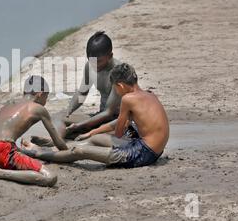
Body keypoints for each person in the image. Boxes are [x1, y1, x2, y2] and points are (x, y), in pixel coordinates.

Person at [22, 63, 169, 169]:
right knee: (95, 139)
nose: (117, 93)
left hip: (143, 153)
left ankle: (37, 152)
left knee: (80, 151)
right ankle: (53, 147)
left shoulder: (127, 99)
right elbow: (119, 123)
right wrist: (92, 132)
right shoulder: (149, 95)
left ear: (121, 86)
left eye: (116, 89)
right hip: (151, 148)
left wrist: (123, 125)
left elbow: (118, 132)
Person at [0, 75, 68, 187]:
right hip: (3, 152)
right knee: (50, 177)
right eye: (46, 96)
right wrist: (68, 151)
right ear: (40, 94)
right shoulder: (38, 108)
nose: (46, 101)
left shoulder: (8, 104)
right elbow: (60, 144)